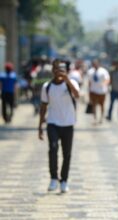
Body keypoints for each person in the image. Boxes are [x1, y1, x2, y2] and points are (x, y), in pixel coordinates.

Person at [38, 59, 80, 193]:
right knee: (53, 148)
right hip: (53, 123)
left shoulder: (71, 83)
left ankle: (64, 180)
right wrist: (40, 126)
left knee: (66, 154)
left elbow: (77, 95)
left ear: (66, 71)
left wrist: (67, 80)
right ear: (52, 71)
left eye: (61, 69)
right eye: (56, 69)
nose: (59, 72)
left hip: (68, 123)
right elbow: (43, 106)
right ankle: (53, 178)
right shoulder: (47, 86)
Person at [87, 59, 110, 124]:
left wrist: (104, 84)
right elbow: (89, 82)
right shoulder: (90, 71)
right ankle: (95, 118)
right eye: (94, 64)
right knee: (94, 105)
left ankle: (101, 117)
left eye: (96, 64)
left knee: (102, 105)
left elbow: (107, 79)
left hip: (102, 92)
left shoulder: (103, 71)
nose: (95, 65)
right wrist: (89, 91)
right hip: (93, 91)